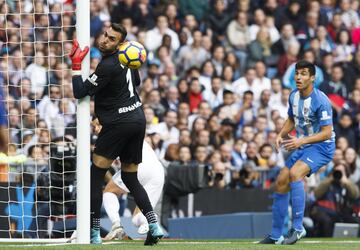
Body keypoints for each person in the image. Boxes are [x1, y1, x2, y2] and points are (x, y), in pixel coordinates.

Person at [69, 23, 163, 245]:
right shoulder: (129, 59)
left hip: (118, 124)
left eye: (111, 39)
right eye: (105, 35)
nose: (104, 41)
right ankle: (153, 224)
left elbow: (79, 92)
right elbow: (136, 82)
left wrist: (75, 65)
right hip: (138, 120)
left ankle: (93, 232)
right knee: (130, 177)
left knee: (95, 177)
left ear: (120, 44)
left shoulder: (107, 66)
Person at [259, 60, 335, 245]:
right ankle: (276, 236)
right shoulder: (293, 95)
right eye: (296, 73)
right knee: (281, 181)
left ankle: (298, 229)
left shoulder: (321, 100)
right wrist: (280, 134)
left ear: (312, 78)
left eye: (303, 74)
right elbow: (292, 119)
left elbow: (326, 132)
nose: (298, 77)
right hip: (303, 145)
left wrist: (300, 140)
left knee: (295, 174)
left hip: (322, 147)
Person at [103, 140, 165, 240]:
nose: (96, 129)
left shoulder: (112, 130)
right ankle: (149, 222)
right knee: (137, 218)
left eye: (97, 125)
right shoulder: (134, 128)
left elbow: (103, 162)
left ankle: (116, 226)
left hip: (139, 166)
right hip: (158, 171)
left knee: (109, 191)